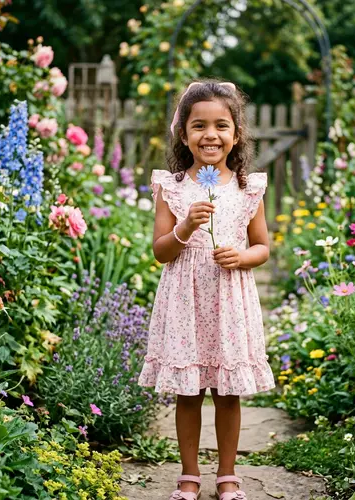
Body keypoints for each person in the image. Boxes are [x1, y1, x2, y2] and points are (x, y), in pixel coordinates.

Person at [138, 79, 275, 500]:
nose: (210, 135)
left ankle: (228, 474)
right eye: (198, 126)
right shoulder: (173, 187)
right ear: (183, 134)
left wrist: (241, 256)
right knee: (189, 392)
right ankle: (190, 475)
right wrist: (185, 226)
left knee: (228, 392)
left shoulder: (247, 187)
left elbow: (263, 247)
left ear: (236, 135)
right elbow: (161, 252)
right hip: (185, 302)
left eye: (221, 126)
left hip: (229, 301)